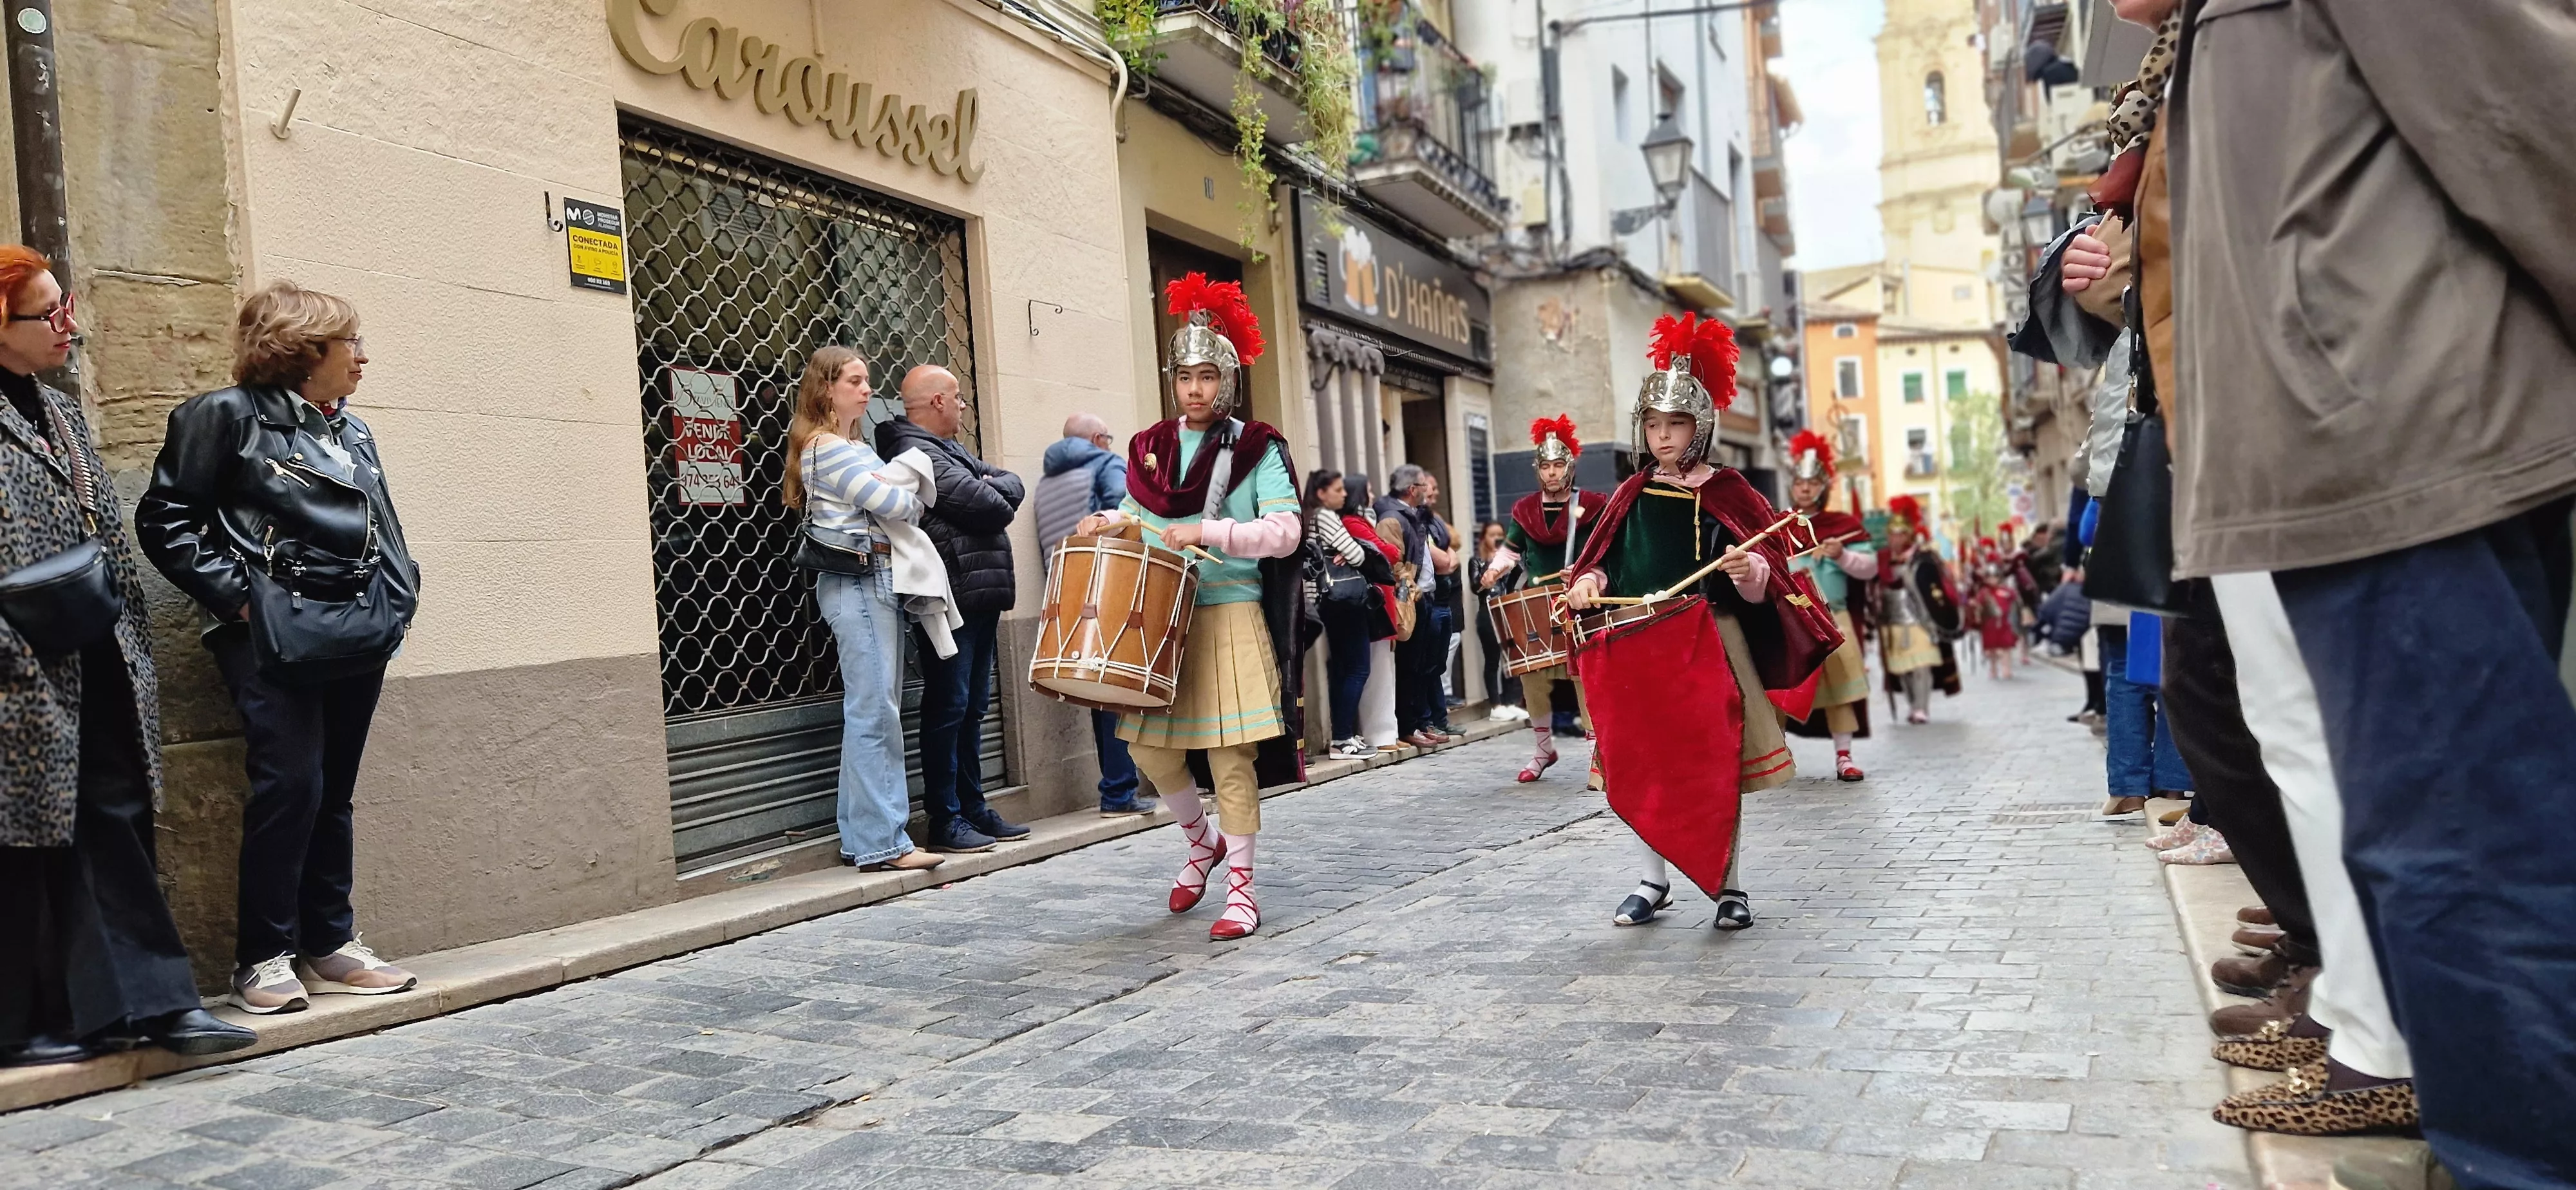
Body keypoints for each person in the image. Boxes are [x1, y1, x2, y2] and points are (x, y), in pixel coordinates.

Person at [137, 281, 422, 1015]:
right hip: (267, 634)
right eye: (348, 343)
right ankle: (261, 957)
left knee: (332, 789)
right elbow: (167, 518)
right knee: (289, 785)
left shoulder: (350, 429)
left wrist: (401, 592)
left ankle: (329, 942)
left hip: (358, 627)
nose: (362, 357)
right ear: (301, 352)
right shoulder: (224, 416)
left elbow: (377, 524)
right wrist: (241, 599)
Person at [0, 247, 254, 1065]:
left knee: (110, 822)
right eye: (47, 313)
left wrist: (126, 629)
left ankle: (153, 1006)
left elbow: (102, 528)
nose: (67, 324)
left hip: (93, 653)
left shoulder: (60, 411)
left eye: (64, 303)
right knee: (25, 848)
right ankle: (26, 1023)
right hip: (17, 665)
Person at [1564, 313, 1837, 932]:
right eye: (1654, 425)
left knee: (1715, 763)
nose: (1663, 437)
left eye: (1676, 424)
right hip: (1638, 641)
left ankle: (1728, 887)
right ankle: (1651, 881)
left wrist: (1749, 574)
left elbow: (1769, 569)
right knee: (1643, 762)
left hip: (1713, 640)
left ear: (1701, 425)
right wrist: (1589, 583)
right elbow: (1603, 563)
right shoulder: (1630, 495)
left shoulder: (1731, 489)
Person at [1075, 273, 1302, 940]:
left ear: (1226, 380)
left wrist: (1213, 531)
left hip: (1230, 608)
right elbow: (1135, 516)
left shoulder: (1256, 445)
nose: (1195, 388)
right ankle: (1200, 842)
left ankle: (1241, 892)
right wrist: (1106, 525)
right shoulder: (1151, 448)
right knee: (1148, 751)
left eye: (1207, 376)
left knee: (1232, 758)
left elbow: (1285, 531)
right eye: (1185, 376)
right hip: (1163, 616)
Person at [773, 348, 944, 873]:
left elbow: (904, 502)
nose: (867, 389)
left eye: (868, 380)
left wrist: (900, 494)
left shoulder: (852, 445)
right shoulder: (827, 448)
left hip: (876, 581)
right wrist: (901, 491)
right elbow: (899, 505)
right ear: (827, 389)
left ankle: (865, 838)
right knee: (876, 714)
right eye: (855, 380)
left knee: (873, 710)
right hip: (859, 579)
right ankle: (886, 843)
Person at [876, 364, 1027, 853]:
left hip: (976, 593)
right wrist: (986, 482)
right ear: (938, 402)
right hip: (951, 598)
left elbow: (1011, 483)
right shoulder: (913, 450)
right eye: (958, 397)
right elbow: (991, 505)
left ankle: (974, 807)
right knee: (950, 706)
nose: (964, 405)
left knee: (973, 707)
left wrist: (986, 480)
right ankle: (946, 818)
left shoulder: (949, 452)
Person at [1478, 415, 1606, 782]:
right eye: (1546, 466)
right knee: (1532, 677)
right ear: (1538, 470)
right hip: (1537, 601)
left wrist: (1585, 571)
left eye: (1558, 465)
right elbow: (1511, 551)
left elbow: (1606, 552)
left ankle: (1597, 752)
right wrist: (1495, 569)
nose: (1552, 473)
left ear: (1570, 467)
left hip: (1581, 601)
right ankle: (1543, 748)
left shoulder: (1593, 506)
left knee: (1583, 676)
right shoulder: (1526, 510)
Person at [1036, 413, 1151, 817]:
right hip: (1106, 586)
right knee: (1118, 689)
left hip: (1065, 589)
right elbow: (1129, 521)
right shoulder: (1107, 465)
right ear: (1100, 439)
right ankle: (1120, 792)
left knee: (1098, 693)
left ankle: (1116, 790)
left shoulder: (1047, 481)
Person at [1778, 429, 1875, 780]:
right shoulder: (1776, 525)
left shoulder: (1842, 526)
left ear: (1823, 487)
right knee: (1780, 685)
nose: (1805, 488)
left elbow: (1870, 568)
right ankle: (1777, 755)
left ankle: (1844, 756)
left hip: (1834, 614)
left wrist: (1843, 554)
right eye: (1800, 482)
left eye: (1812, 483)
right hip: (1789, 616)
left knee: (1842, 685)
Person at [1305, 468, 1388, 760]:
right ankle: (1342, 738)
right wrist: (1352, 550)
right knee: (1357, 668)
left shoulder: (1312, 515)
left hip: (1331, 601)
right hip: (1344, 600)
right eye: (1338, 490)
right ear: (1321, 493)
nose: (1343, 494)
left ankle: (1344, 734)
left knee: (1343, 668)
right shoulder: (1325, 516)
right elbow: (1357, 555)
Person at [1872, 496, 1960, 725]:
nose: (1895, 539)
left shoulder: (1924, 559)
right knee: (1903, 670)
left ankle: (1922, 708)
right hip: (1893, 622)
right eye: (1892, 534)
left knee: (1921, 665)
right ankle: (1912, 705)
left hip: (1920, 620)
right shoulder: (1882, 560)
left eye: (1900, 534)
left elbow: (1936, 589)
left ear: (1909, 535)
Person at [1343, 475, 1405, 750]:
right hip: (1373, 603)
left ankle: (1387, 731)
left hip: (1380, 601)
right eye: (1367, 491)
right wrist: (1390, 548)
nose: (1371, 496)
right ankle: (1379, 734)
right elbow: (1389, 553)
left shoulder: (1361, 523)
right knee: (1377, 671)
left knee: (1385, 670)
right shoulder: (1352, 523)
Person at [1469, 520, 1524, 722]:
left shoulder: (1506, 561)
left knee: (1510, 659)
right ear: (1484, 539)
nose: (1497, 539)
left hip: (1507, 612)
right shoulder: (1476, 560)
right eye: (1492, 535)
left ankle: (1510, 702)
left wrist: (1509, 561)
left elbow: (1519, 576)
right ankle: (1496, 704)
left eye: (1500, 535)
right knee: (1493, 660)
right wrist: (1489, 566)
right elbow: (1476, 587)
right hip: (1488, 612)